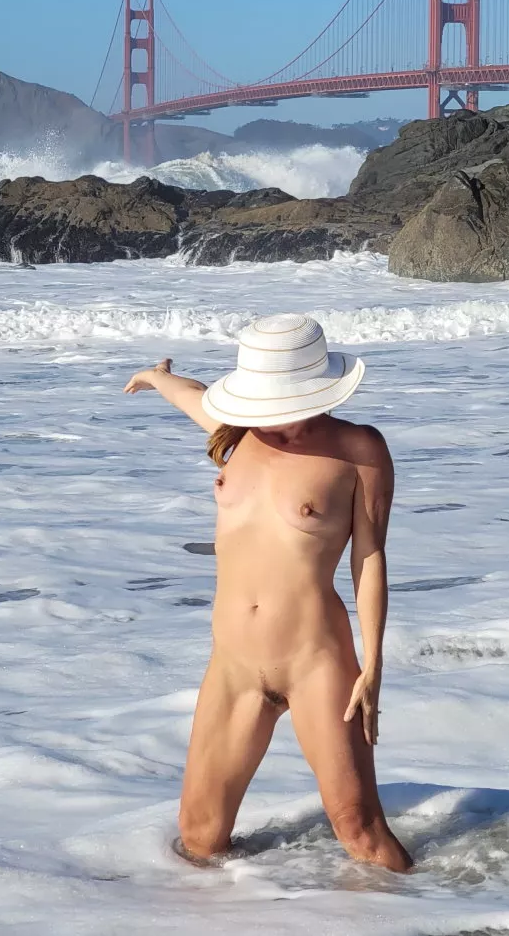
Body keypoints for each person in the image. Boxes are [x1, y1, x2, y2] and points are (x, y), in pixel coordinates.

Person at [122, 313, 413, 873]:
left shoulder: (359, 449)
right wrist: (157, 377)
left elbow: (370, 556)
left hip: (315, 662)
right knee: (200, 838)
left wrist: (373, 664)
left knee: (360, 829)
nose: (270, 417)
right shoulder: (238, 429)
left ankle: (437, 908)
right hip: (233, 665)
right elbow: (191, 395)